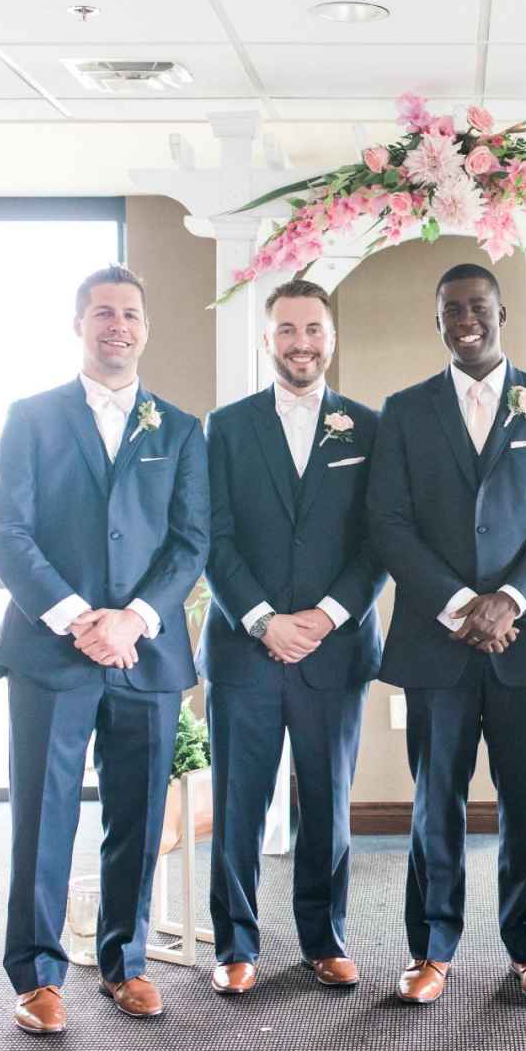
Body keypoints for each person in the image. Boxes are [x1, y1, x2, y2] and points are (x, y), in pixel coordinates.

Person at [0, 265, 209, 1034]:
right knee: (43, 814)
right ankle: (37, 975)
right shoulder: (32, 417)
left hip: (145, 655)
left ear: (146, 328)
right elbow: (4, 530)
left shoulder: (178, 429)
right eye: (104, 312)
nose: (118, 325)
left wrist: (133, 619)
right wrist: (81, 617)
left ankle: (125, 962)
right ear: (79, 323)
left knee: (138, 817)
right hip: (51, 650)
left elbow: (191, 540)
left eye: (131, 314)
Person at [366, 263, 526, 1005]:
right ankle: (431, 949)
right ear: (438, 322)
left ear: (500, 314)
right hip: (437, 640)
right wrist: (463, 603)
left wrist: (512, 601)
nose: (467, 319)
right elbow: (388, 521)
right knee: (436, 801)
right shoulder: (404, 411)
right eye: (452, 309)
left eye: (478, 306)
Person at [196, 280, 385, 995]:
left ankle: (324, 938)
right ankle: (236, 943)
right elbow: (212, 537)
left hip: (334, 650)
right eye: (286, 329)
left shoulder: (369, 428)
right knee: (239, 805)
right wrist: (262, 619)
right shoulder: (226, 427)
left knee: (329, 805)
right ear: (266, 339)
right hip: (245, 649)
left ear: (331, 337)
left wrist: (329, 615)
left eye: (312, 329)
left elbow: (380, 538)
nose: (300, 342)